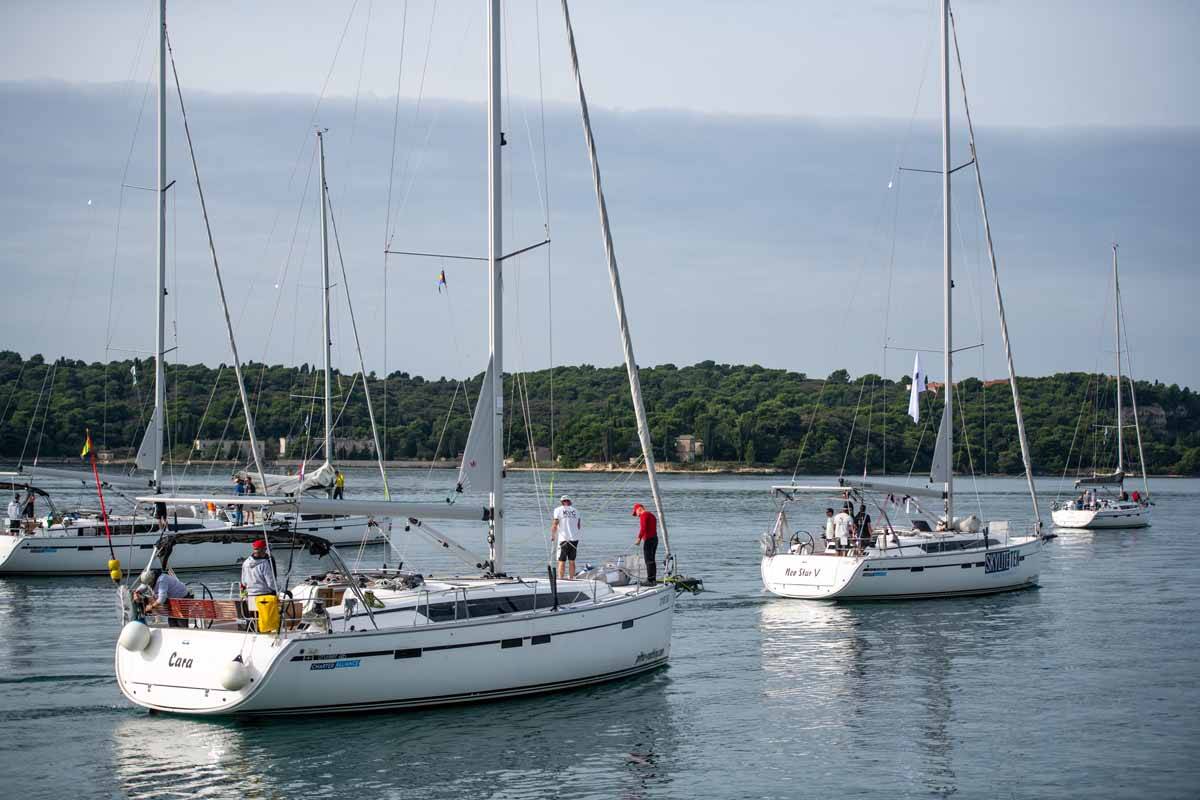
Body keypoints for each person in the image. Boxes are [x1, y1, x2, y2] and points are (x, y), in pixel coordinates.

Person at [551, 495, 582, 579]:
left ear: (561, 502)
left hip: (563, 539)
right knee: (572, 560)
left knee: (561, 560)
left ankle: (560, 578)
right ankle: (571, 578)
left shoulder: (558, 510)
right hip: (574, 539)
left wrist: (553, 535)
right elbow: (578, 525)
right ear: (570, 501)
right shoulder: (576, 510)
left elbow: (555, 523)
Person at [632, 502, 658, 585]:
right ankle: (653, 579)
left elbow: (643, 528)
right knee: (652, 559)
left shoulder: (644, 515)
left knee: (648, 560)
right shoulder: (652, 515)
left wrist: (639, 538)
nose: (637, 516)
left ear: (639, 509)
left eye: (636, 513)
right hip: (655, 539)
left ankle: (650, 580)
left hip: (649, 540)